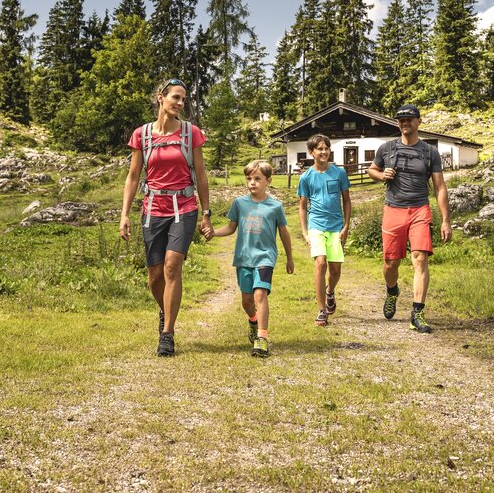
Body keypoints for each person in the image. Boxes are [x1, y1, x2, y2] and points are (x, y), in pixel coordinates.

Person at [120, 78, 212, 357]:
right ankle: (165, 311)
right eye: (176, 98)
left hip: (184, 207)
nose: (181, 104)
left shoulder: (191, 133)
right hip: (152, 209)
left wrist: (206, 213)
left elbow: (202, 174)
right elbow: (134, 176)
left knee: (173, 266)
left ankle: (168, 334)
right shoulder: (142, 135)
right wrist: (124, 214)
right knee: (155, 277)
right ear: (161, 97)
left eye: (184, 99)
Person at [366, 104, 452, 334]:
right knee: (390, 263)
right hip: (393, 209)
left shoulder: (429, 152)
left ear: (418, 122)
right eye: (401, 120)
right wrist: (381, 174)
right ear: (398, 124)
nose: (405, 123)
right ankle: (392, 290)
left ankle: (418, 312)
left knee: (420, 258)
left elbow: (440, 187)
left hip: (419, 209)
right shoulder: (387, 149)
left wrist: (445, 219)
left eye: (409, 119)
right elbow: (371, 170)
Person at [204, 160, 293, 357]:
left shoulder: (275, 206)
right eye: (249, 179)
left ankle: (262, 338)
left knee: (260, 295)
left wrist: (289, 258)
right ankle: (253, 320)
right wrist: (213, 233)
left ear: (268, 181)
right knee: (247, 301)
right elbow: (231, 227)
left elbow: (284, 233)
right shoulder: (239, 204)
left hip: (265, 258)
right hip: (244, 258)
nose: (252, 182)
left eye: (257, 178)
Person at [297, 134, 351, 326]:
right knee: (320, 264)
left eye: (326, 148)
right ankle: (321, 310)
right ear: (311, 152)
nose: (324, 151)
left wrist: (346, 226)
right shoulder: (306, 177)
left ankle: (330, 292)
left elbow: (347, 200)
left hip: (336, 227)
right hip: (316, 226)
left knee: (335, 270)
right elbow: (303, 206)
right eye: (319, 149)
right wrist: (305, 232)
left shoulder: (339, 173)